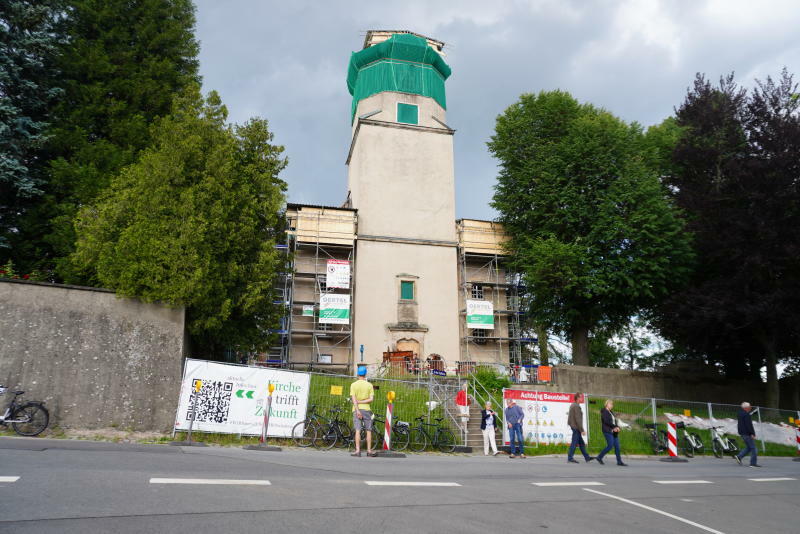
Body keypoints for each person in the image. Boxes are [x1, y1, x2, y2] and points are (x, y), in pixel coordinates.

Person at [350, 366, 375, 457]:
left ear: (357, 374)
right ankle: (369, 451)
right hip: (367, 409)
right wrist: (362, 402)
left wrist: (357, 410)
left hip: (356, 409)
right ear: (365, 374)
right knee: (368, 430)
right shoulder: (369, 385)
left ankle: (358, 451)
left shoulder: (353, 385)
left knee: (357, 430)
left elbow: (353, 399)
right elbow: (371, 399)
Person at [596, 399, 627, 466]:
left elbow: (613, 422)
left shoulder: (611, 412)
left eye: (612, 404)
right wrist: (614, 427)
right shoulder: (604, 412)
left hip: (614, 431)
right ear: (607, 404)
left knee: (617, 447)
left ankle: (619, 461)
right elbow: (607, 422)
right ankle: (599, 457)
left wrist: (617, 427)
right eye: (610, 404)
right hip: (607, 431)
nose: (612, 405)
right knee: (610, 445)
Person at [567, 393, 595, 464]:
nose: (582, 399)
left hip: (574, 426)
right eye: (581, 397)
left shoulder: (573, 405)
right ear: (578, 398)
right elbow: (578, 419)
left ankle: (587, 457)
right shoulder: (576, 406)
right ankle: (570, 458)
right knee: (574, 443)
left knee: (581, 443)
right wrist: (581, 430)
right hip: (576, 427)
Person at [735, 401, 761, 467]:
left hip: (742, 433)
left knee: (749, 447)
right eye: (749, 406)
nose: (750, 407)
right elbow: (749, 425)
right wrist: (752, 433)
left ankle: (739, 457)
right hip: (747, 433)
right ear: (746, 408)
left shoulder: (740, 413)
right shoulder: (746, 415)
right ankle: (753, 463)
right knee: (754, 448)